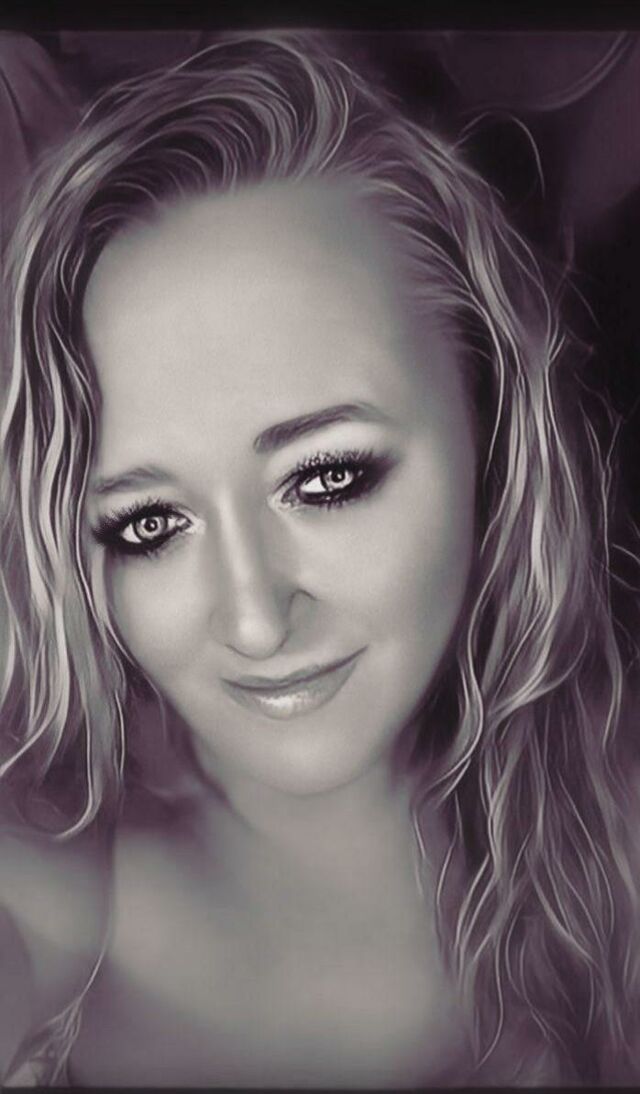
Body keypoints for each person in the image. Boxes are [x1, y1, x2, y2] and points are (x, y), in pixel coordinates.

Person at [0, 30, 636, 1087]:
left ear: (488, 418)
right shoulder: (58, 878)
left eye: (327, 476)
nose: (254, 618)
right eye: (147, 524)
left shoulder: (610, 809)